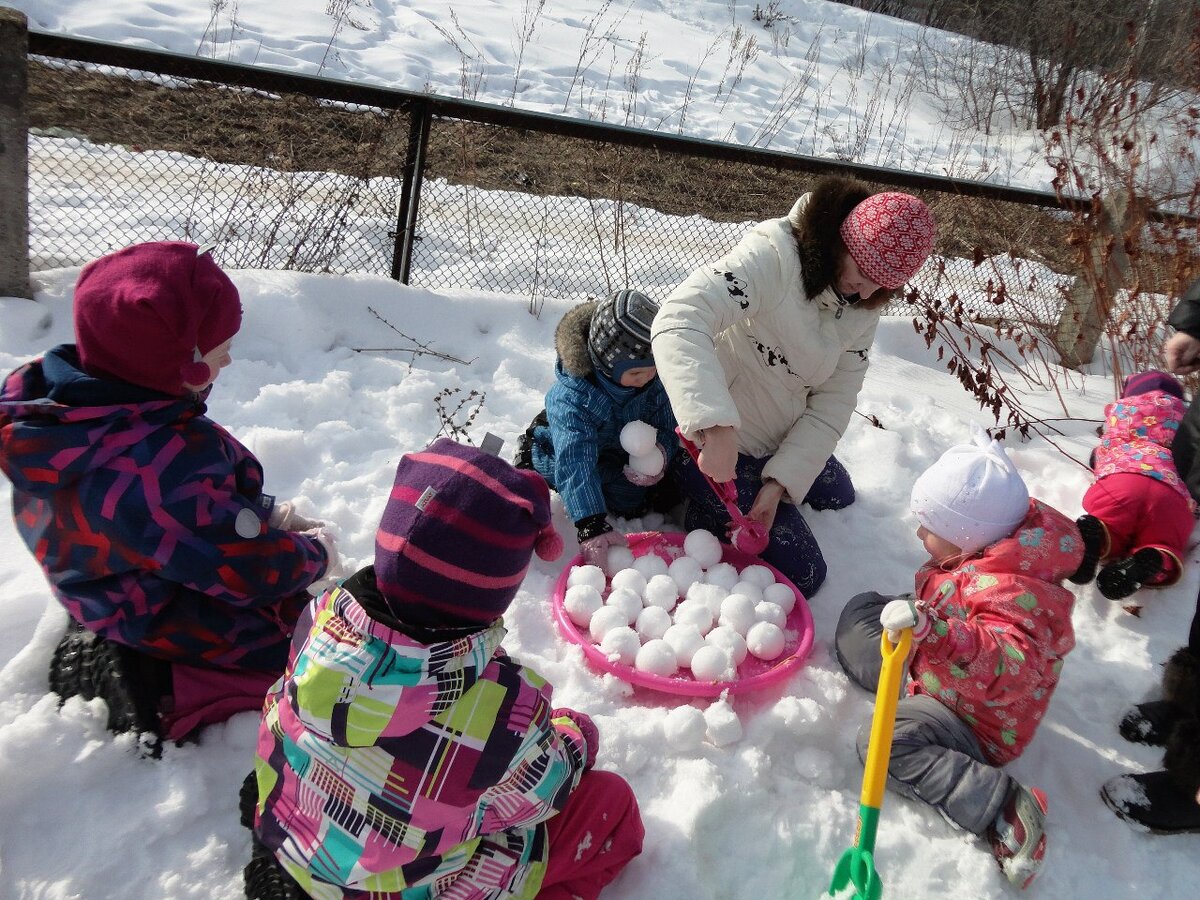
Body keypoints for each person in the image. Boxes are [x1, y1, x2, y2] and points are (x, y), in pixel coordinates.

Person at [244, 438, 644, 900]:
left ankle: (292, 863)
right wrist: (575, 738)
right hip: (403, 886)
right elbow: (537, 794)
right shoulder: (501, 710)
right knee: (610, 806)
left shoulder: (321, 620)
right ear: (496, 596)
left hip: (303, 828)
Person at [0, 241, 338, 749]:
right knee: (306, 653)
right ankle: (164, 687)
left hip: (102, 577)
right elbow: (242, 571)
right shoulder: (158, 461)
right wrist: (313, 557)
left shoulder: (78, 411)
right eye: (220, 348)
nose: (229, 357)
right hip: (152, 612)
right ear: (186, 365)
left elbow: (187, 518)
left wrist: (264, 514)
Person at [651, 175, 935, 598]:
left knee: (838, 494)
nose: (867, 291)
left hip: (775, 430)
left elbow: (833, 402)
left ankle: (749, 484)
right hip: (712, 438)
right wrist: (715, 427)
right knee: (805, 573)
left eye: (883, 284)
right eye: (862, 272)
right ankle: (693, 492)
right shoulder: (773, 257)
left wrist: (779, 483)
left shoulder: (861, 306)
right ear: (840, 242)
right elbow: (679, 317)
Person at [834, 427, 1084, 889]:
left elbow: (1010, 667)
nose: (919, 533)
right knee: (859, 614)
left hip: (974, 714)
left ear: (967, 538)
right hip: (942, 658)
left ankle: (1001, 805)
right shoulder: (988, 548)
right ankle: (898, 642)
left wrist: (934, 632)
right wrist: (927, 623)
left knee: (882, 744)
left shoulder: (1013, 591)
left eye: (931, 528)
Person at [1100, 275, 1200, 834]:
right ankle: (1193, 711)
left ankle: (1196, 785)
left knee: (1114, 513)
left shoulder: (1122, 420)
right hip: (1179, 481)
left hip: (1125, 476)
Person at [517, 289, 678, 568]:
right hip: (569, 448)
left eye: (654, 368)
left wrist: (660, 453)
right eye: (637, 373)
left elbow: (667, 424)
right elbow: (576, 463)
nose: (649, 377)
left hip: (614, 451)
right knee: (565, 473)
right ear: (608, 365)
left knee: (629, 501)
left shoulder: (653, 384)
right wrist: (590, 523)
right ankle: (532, 450)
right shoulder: (573, 399)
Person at [1069, 369, 1193, 605]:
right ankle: (1154, 558)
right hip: (1170, 494)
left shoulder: (1122, 417)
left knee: (1112, 523)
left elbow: (1099, 456)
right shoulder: (1190, 427)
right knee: (1163, 539)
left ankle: (1098, 536)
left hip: (1122, 482)